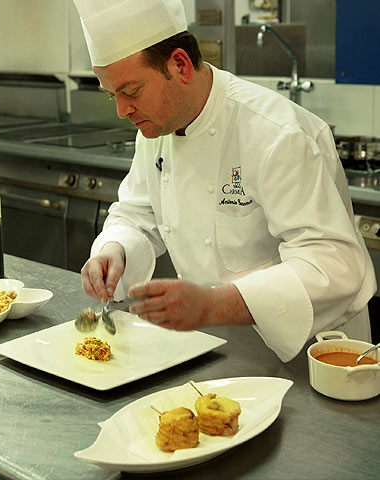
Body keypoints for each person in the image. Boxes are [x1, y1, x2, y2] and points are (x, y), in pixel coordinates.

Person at [72, 0, 376, 362]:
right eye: (112, 95)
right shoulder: (156, 129)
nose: (122, 110)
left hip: (316, 357)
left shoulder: (276, 134)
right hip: (218, 349)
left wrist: (214, 304)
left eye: (131, 91)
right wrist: (113, 250)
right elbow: (137, 214)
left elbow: (335, 265)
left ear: (180, 65)